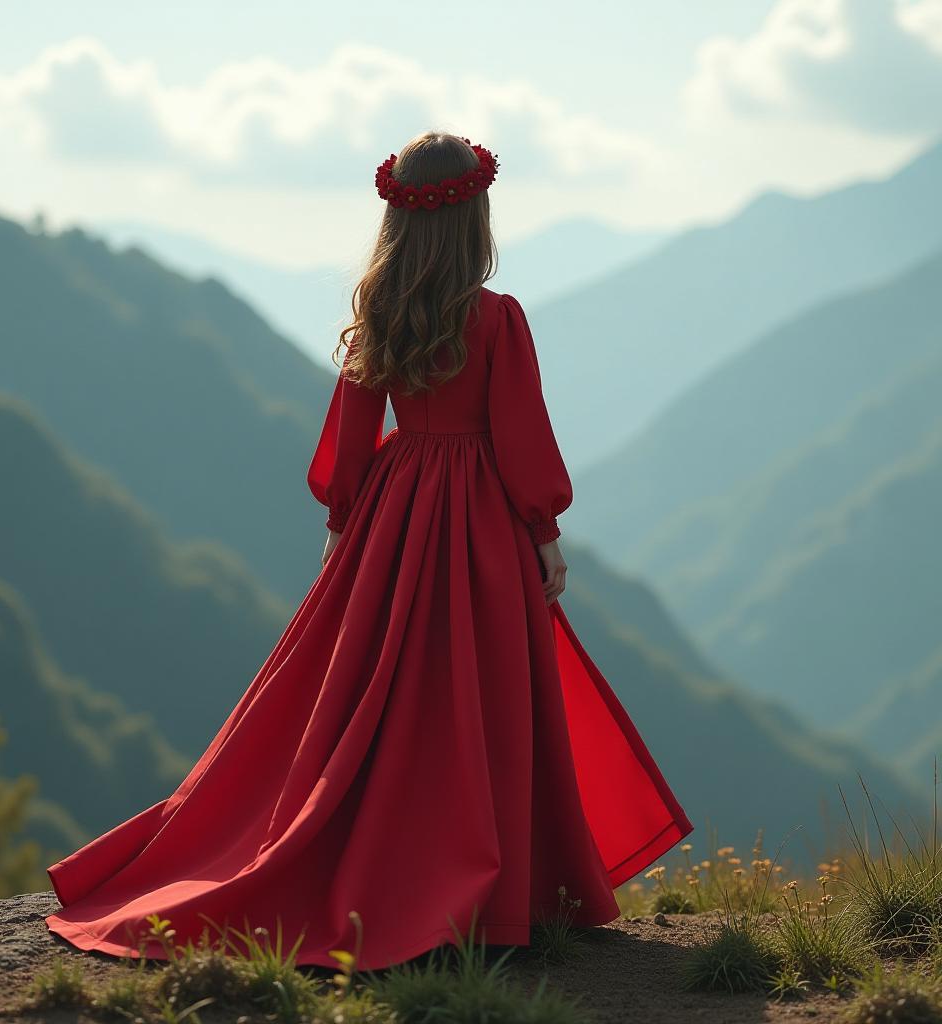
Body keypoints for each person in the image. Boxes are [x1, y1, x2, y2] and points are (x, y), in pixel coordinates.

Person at [44, 131, 694, 971]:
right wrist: (544, 530)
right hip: (481, 524)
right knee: (480, 691)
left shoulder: (378, 315)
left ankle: (372, 853)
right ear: (478, 217)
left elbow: (350, 440)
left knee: (374, 696)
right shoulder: (496, 318)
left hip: (392, 517)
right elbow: (521, 434)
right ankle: (503, 892)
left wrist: (343, 529)